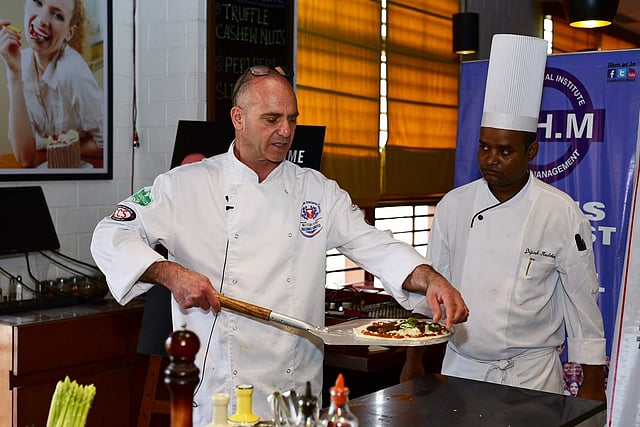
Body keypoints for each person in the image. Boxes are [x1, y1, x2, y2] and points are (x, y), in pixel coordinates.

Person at [90, 65, 469, 426]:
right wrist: (170, 274)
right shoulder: (184, 185)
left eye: (291, 119)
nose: (285, 131)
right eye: (272, 119)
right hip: (222, 393)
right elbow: (111, 233)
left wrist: (430, 279)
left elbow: (375, 245)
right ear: (238, 118)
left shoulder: (317, 190)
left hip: (297, 390)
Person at [401, 34, 607, 401]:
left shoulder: (559, 212)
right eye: (484, 147)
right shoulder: (454, 205)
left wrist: (593, 381)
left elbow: (581, 300)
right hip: (463, 368)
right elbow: (433, 287)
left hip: (532, 375)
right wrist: (413, 358)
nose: (491, 159)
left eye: (505, 150)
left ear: (531, 151)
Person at [0, 0, 103, 168]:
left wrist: (48, 145)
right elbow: (25, 159)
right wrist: (14, 74)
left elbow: (106, 143)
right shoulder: (21, 61)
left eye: (57, 15)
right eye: (37, 2)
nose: (41, 20)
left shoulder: (73, 71)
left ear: (69, 32)